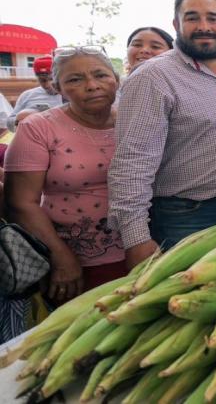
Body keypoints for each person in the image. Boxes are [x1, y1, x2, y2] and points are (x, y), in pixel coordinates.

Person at [108, 0, 216, 267]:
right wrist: (136, 238)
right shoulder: (154, 77)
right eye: (192, 18)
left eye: (213, 18)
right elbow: (132, 162)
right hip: (184, 217)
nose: (203, 26)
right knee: (187, 292)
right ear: (176, 25)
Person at [4, 46, 126, 303]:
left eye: (101, 75)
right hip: (71, 260)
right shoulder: (38, 128)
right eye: (75, 79)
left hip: (141, 250)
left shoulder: (136, 121)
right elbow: (21, 203)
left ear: (116, 80)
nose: (92, 85)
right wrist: (61, 257)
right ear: (58, 88)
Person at [7, 55, 63, 131]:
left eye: (51, 79)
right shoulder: (27, 95)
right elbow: (9, 123)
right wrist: (22, 119)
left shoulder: (69, 95)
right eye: (42, 80)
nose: (48, 85)